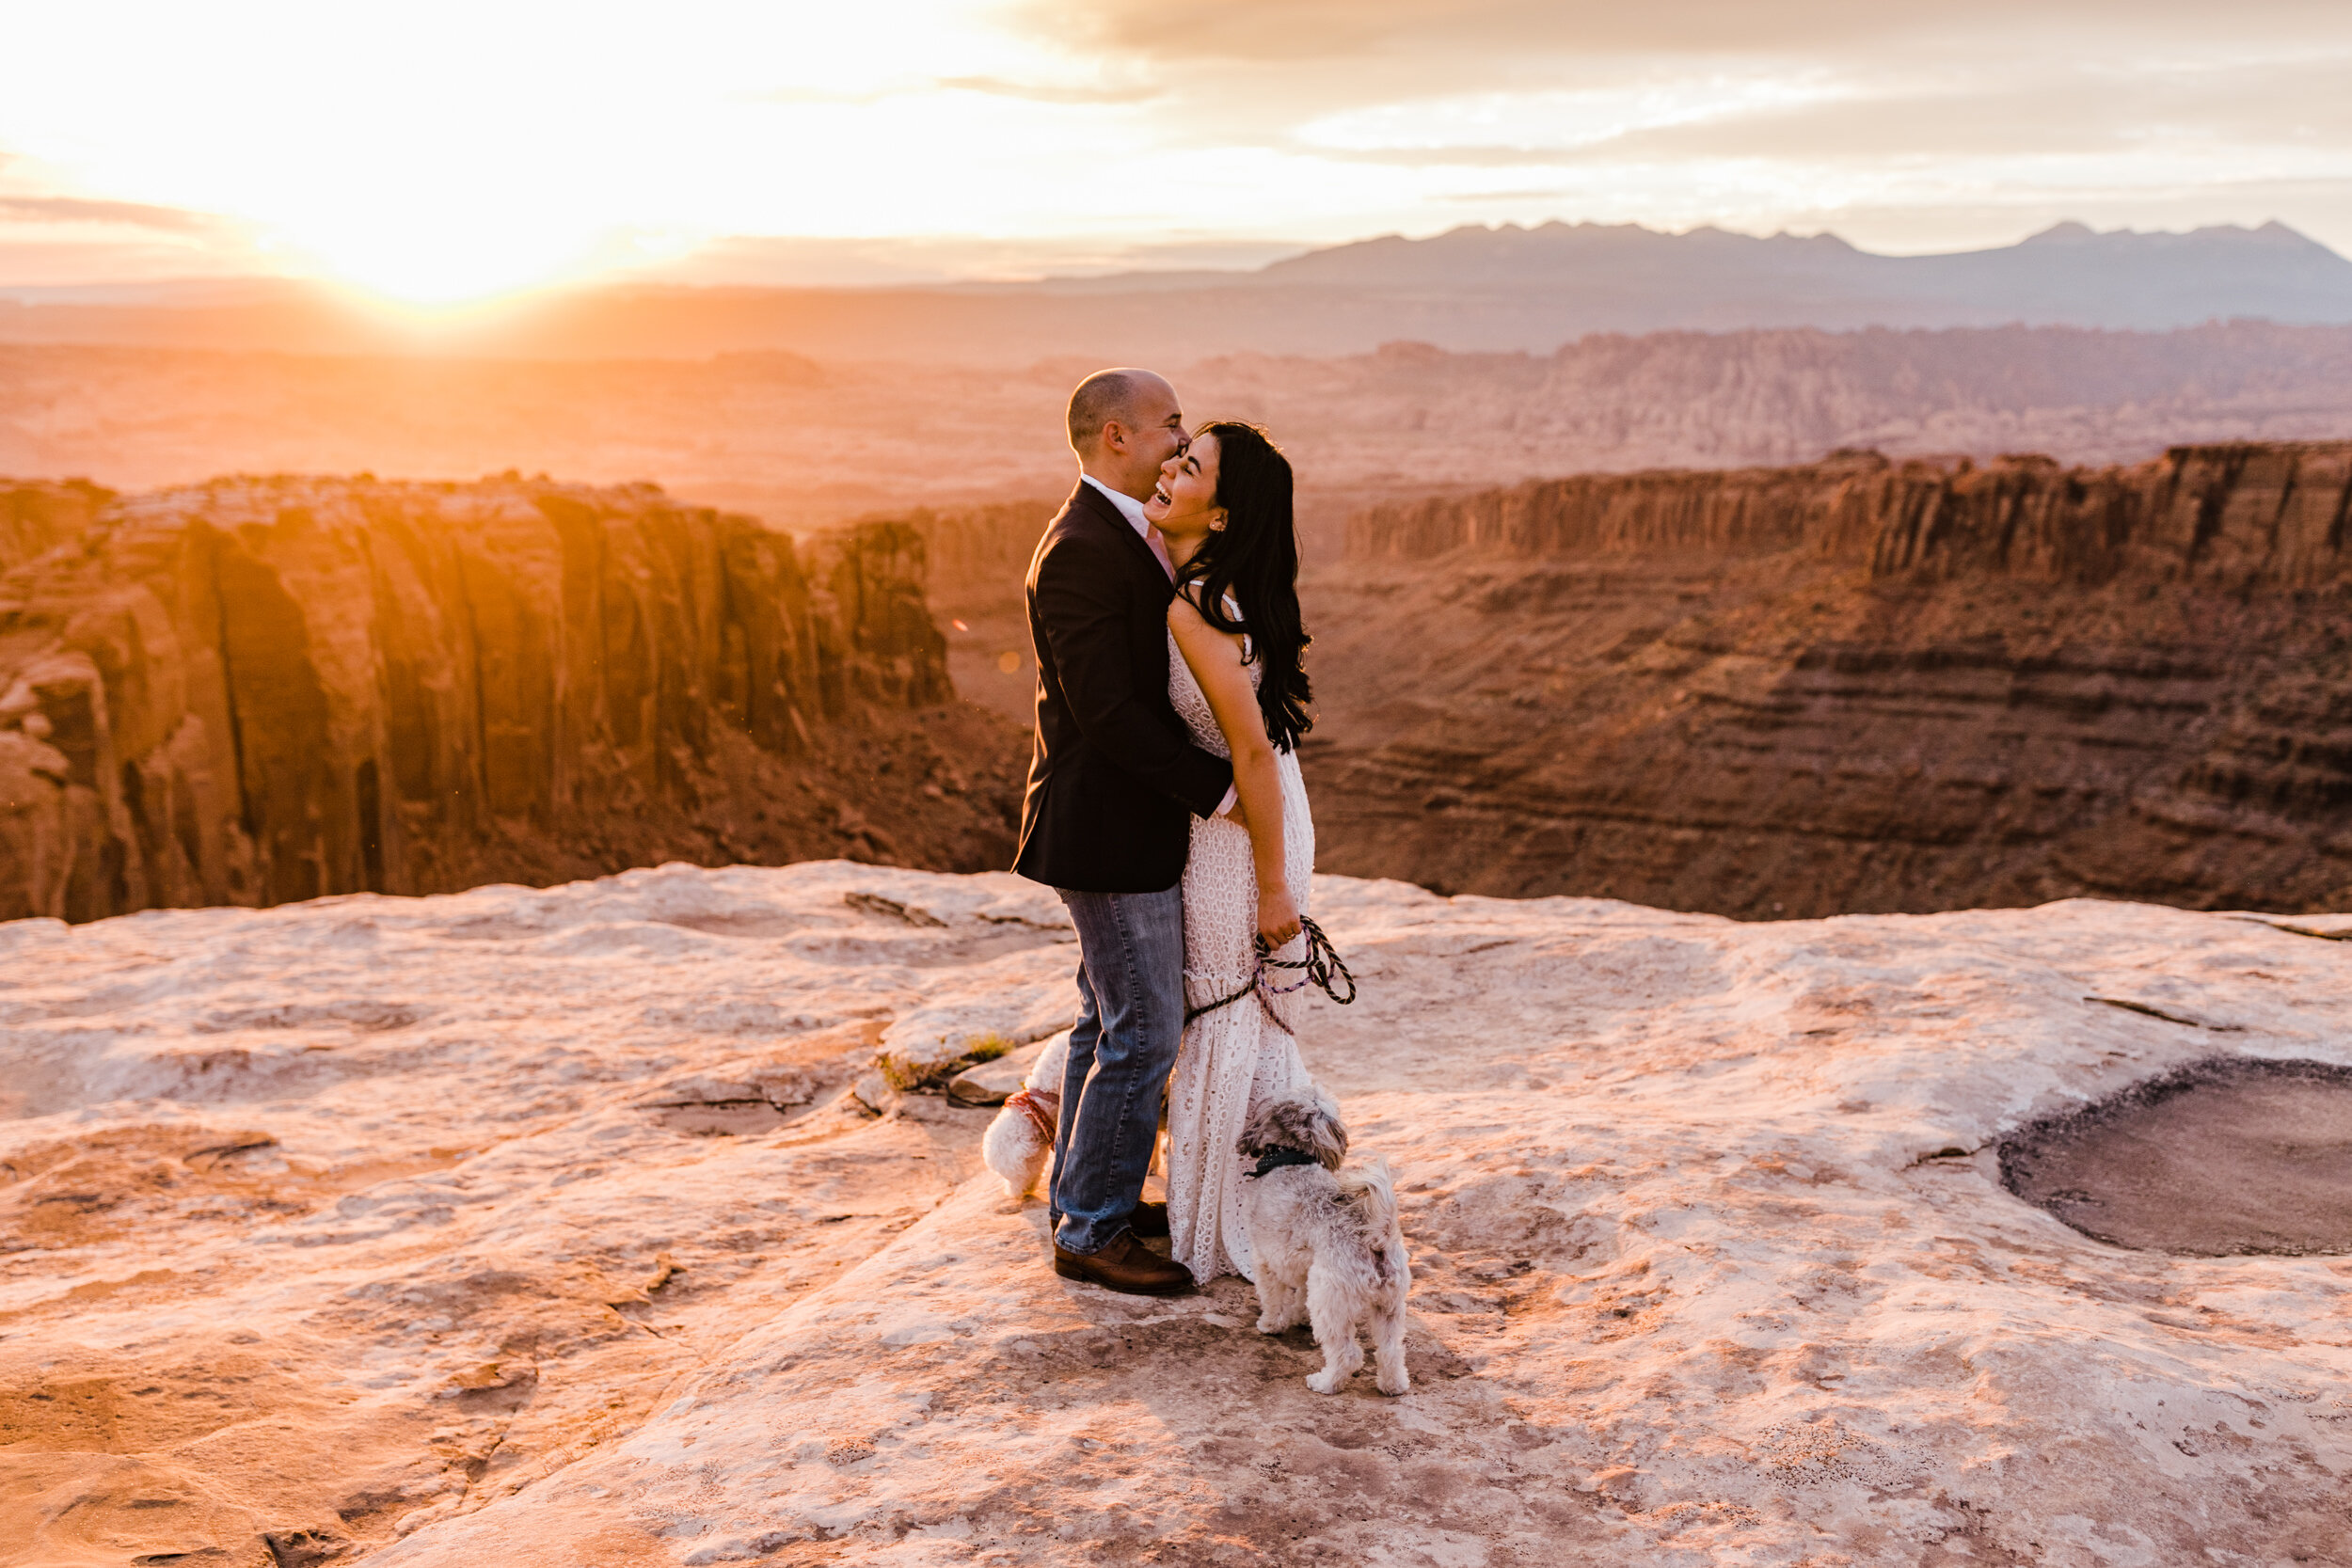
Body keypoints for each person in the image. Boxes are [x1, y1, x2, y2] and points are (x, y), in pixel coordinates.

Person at [1013, 368, 1238, 1296]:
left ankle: (1087, 1190)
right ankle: (1093, 1229)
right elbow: (1105, 710)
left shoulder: (1120, 531)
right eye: (1169, 425)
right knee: (1143, 1029)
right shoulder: (1079, 546)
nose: (1181, 443)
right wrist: (1216, 788)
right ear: (1117, 436)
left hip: (1121, 824)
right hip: (1107, 831)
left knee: (1102, 1017)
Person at [1144, 420, 1322, 1286]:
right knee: (1242, 1015)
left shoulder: (1198, 605)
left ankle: (1218, 1231)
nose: (1172, 469)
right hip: (1259, 818)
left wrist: (1274, 889)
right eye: (1178, 455)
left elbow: (1250, 751)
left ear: (1220, 516)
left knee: (1222, 1014)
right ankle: (1278, 1200)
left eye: (1192, 467)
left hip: (1240, 837)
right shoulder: (1218, 583)